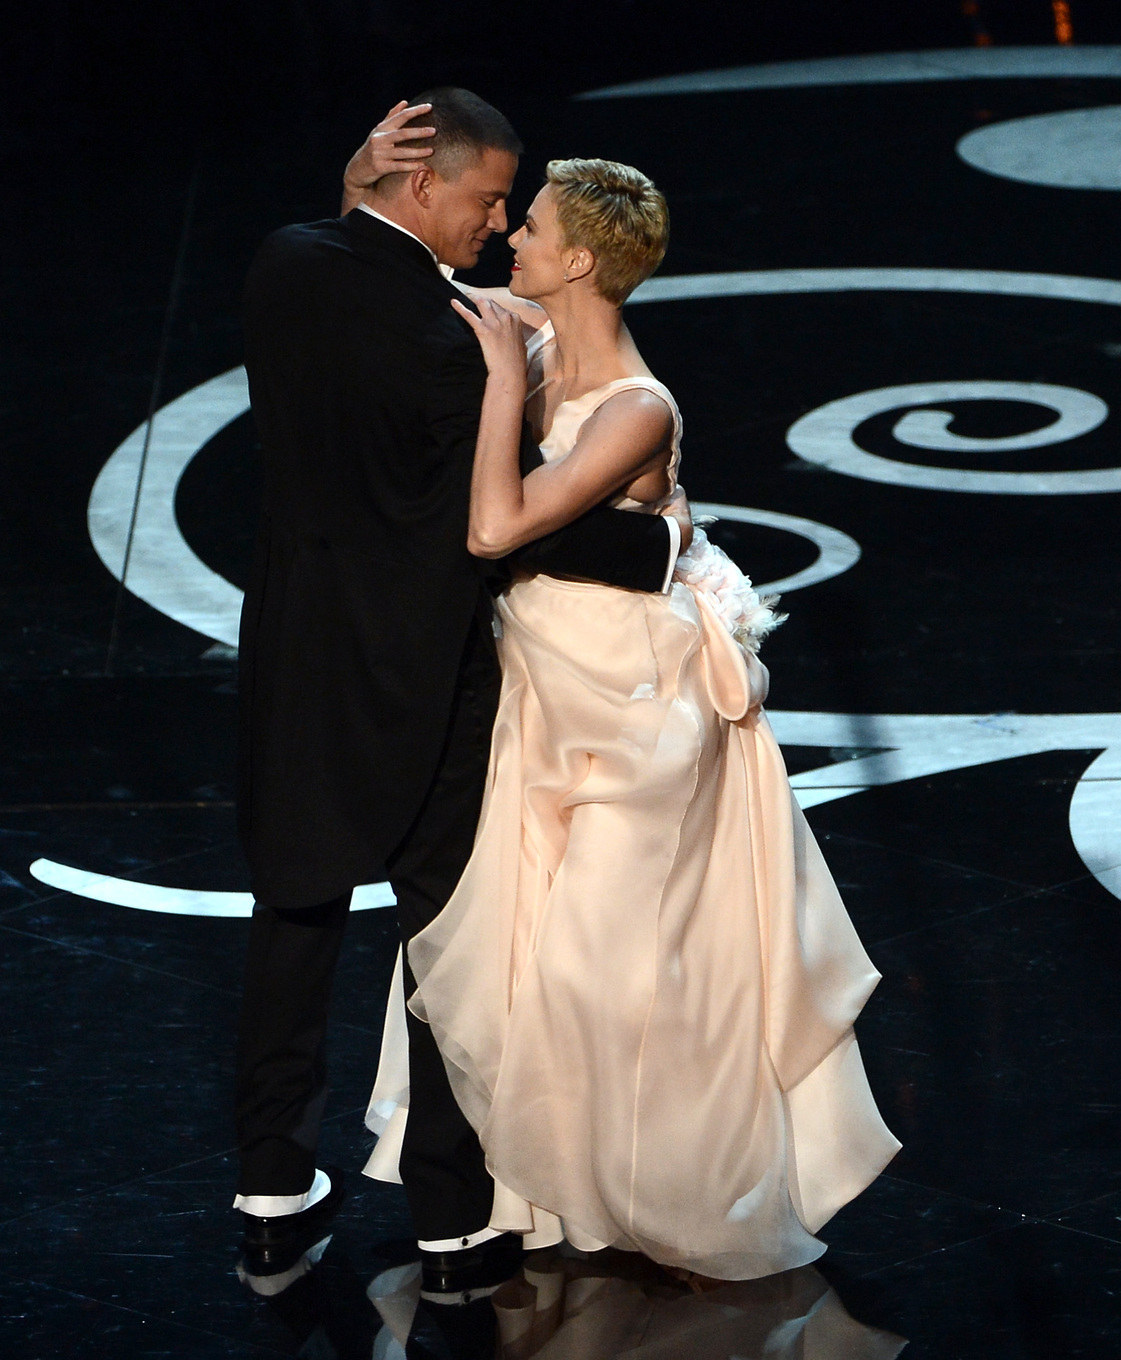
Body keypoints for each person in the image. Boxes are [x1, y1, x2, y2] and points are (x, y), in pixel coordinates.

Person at [373, 157, 900, 1281]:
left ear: (577, 263)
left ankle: (651, 1182)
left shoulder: (636, 407)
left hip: (628, 708)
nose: (507, 234)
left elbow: (493, 527)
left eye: (534, 227)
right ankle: (539, 1196)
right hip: (537, 688)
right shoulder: (529, 323)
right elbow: (401, 274)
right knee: (518, 946)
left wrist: (505, 382)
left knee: (603, 964)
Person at [230, 90, 681, 1294]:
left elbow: (344, 257)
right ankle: (448, 1221)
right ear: (428, 186)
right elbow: (518, 532)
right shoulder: (466, 348)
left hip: (300, 660)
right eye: (488, 200)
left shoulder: (283, 267)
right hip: (435, 676)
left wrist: (349, 185)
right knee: (448, 935)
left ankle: (271, 1193)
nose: (496, 226)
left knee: (294, 912)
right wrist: (669, 552)